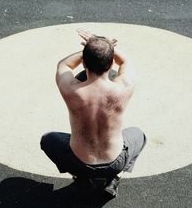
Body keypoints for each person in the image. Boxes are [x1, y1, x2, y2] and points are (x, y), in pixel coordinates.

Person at [40, 29, 146, 198]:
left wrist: (89, 49)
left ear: (84, 63)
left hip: (79, 162)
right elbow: (126, 61)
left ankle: (82, 177)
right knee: (139, 135)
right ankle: (114, 178)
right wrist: (106, 46)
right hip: (114, 163)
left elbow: (63, 65)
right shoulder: (122, 88)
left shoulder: (72, 90)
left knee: (48, 139)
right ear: (111, 64)